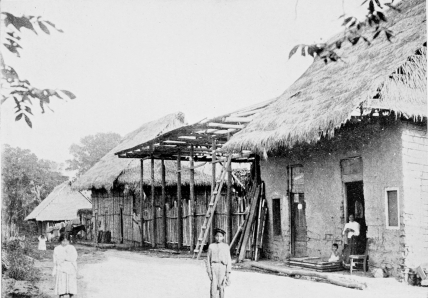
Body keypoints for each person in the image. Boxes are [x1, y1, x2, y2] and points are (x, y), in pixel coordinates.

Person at [207, 228, 232, 298]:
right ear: (214, 236)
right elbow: (208, 260)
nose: (218, 238)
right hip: (214, 267)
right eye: (217, 236)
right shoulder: (211, 246)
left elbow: (229, 260)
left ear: (223, 237)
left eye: (220, 236)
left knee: (222, 287)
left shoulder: (226, 246)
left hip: (222, 267)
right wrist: (209, 272)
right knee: (213, 288)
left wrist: (227, 272)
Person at [52, 233, 78, 298]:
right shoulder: (57, 248)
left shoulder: (72, 248)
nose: (65, 243)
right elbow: (55, 258)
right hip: (61, 267)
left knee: (70, 282)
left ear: (69, 241)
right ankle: (61, 295)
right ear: (60, 241)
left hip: (70, 267)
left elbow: (74, 257)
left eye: (66, 241)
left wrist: (66, 258)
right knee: (61, 282)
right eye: (63, 241)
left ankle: (71, 295)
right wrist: (60, 260)